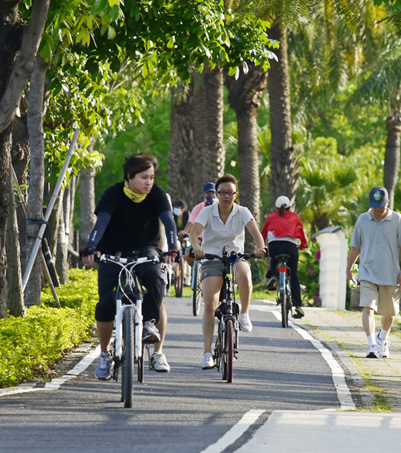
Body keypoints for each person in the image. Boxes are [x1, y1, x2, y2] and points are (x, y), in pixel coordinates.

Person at [80, 154, 178, 378]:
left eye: (152, 177)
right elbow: (101, 222)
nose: (149, 182)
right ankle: (105, 355)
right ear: (129, 176)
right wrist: (91, 247)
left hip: (146, 248)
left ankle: (153, 340)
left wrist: (172, 248)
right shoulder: (113, 194)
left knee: (154, 280)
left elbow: (169, 221)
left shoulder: (158, 195)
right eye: (144, 177)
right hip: (112, 251)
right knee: (105, 303)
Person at [189, 174, 266, 369]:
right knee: (209, 305)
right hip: (212, 258)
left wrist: (260, 248)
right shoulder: (207, 212)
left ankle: (244, 314)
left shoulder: (242, 211)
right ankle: (207, 353)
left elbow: (256, 233)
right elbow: (194, 231)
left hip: (235, 257)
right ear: (216, 194)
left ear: (235, 194)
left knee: (246, 276)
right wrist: (197, 248)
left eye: (230, 193)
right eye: (222, 192)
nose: (226, 196)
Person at [346, 186, 401, 359]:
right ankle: (372, 345)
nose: (377, 211)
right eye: (375, 207)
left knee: (390, 313)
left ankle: (383, 338)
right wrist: (349, 268)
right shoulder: (363, 219)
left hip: (391, 274)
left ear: (388, 203)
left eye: (381, 208)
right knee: (367, 308)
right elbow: (355, 247)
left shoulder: (397, 219)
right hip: (367, 272)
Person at [261, 195, 308, 318]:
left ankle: (273, 275)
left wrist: (262, 247)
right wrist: (303, 245)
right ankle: (298, 306)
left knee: (273, 258)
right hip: (291, 248)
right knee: (294, 277)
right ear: (290, 207)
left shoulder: (271, 217)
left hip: (275, 247)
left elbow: (263, 233)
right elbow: (302, 234)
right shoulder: (295, 217)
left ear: (276, 207)